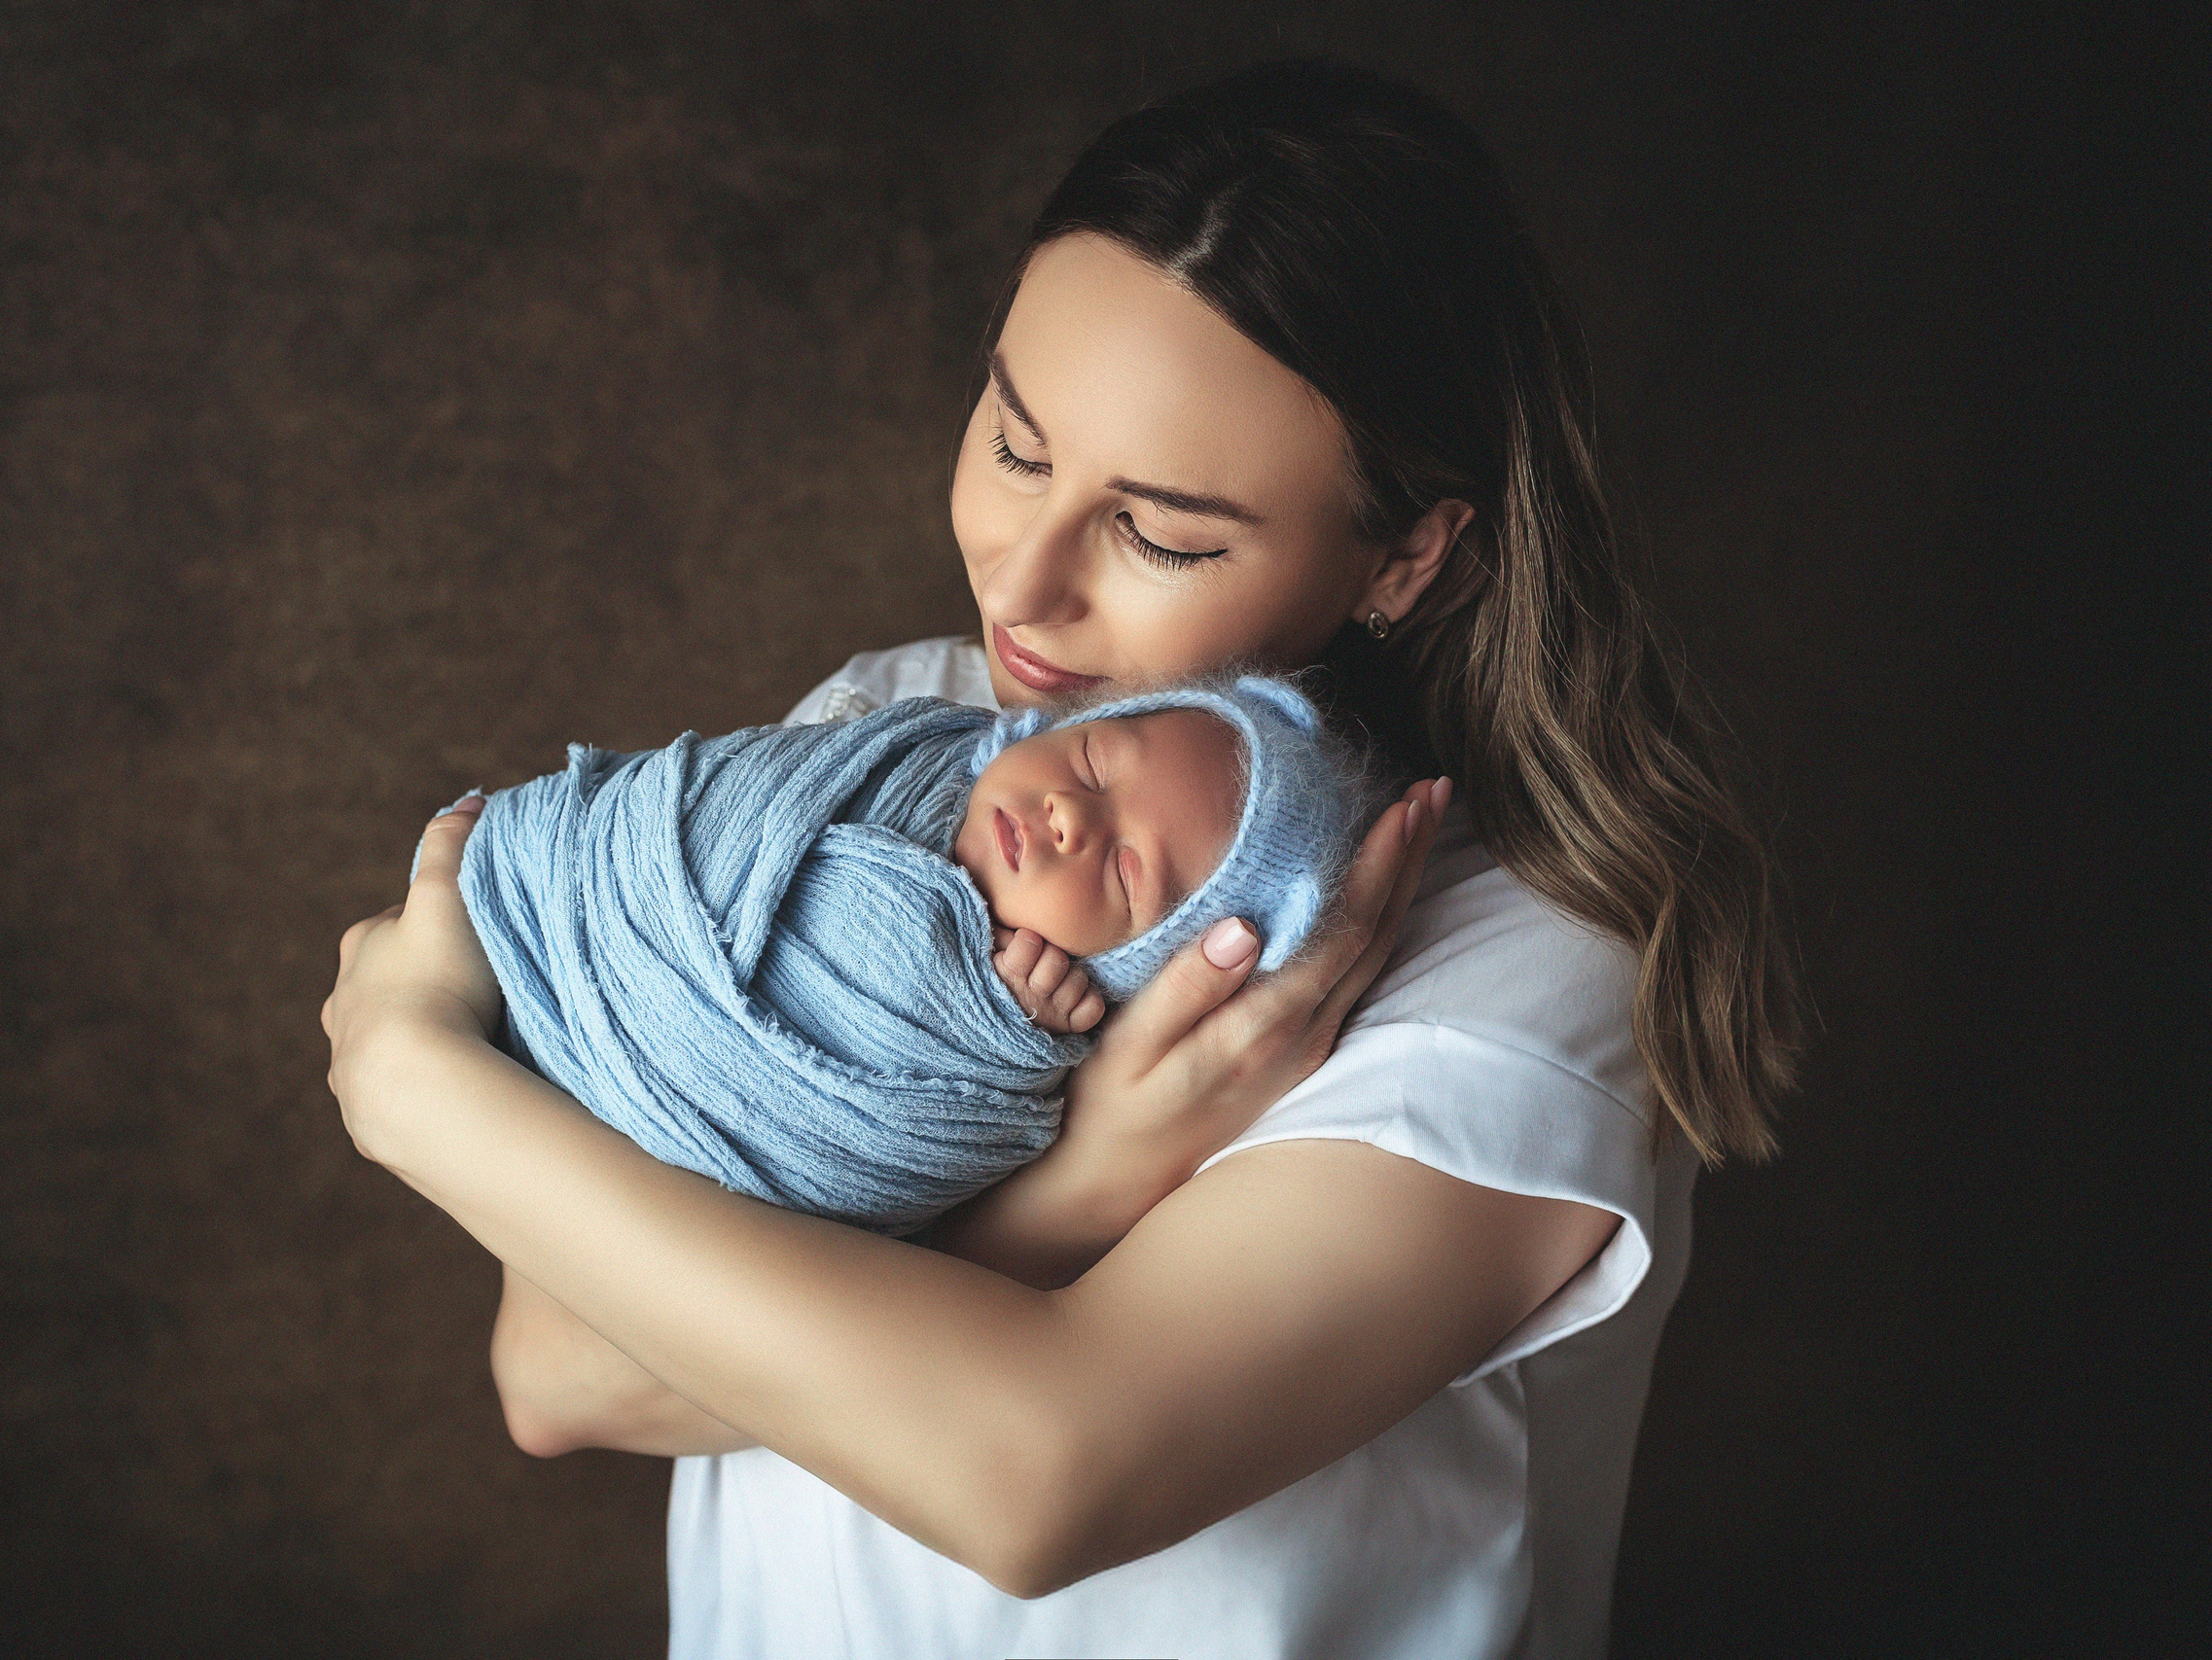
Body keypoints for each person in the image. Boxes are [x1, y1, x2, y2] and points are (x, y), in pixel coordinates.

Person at [322, 56, 1802, 1659]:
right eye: (1018, 445)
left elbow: (1037, 1478)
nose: (1020, 584)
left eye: (1161, 534)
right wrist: (1074, 1183)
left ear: (1410, 555)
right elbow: (562, 1369)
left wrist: (410, 1080)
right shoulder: (891, 731)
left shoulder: (1525, 964)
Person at [442, 675, 1375, 1234]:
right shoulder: (919, 743)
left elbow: (906, 1139)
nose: (1068, 816)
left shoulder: (1021, 1023)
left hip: (638, 1116)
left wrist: (998, 1031)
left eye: (1125, 873)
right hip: (566, 891)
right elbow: (724, 787)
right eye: (1091, 762)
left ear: (1139, 965)